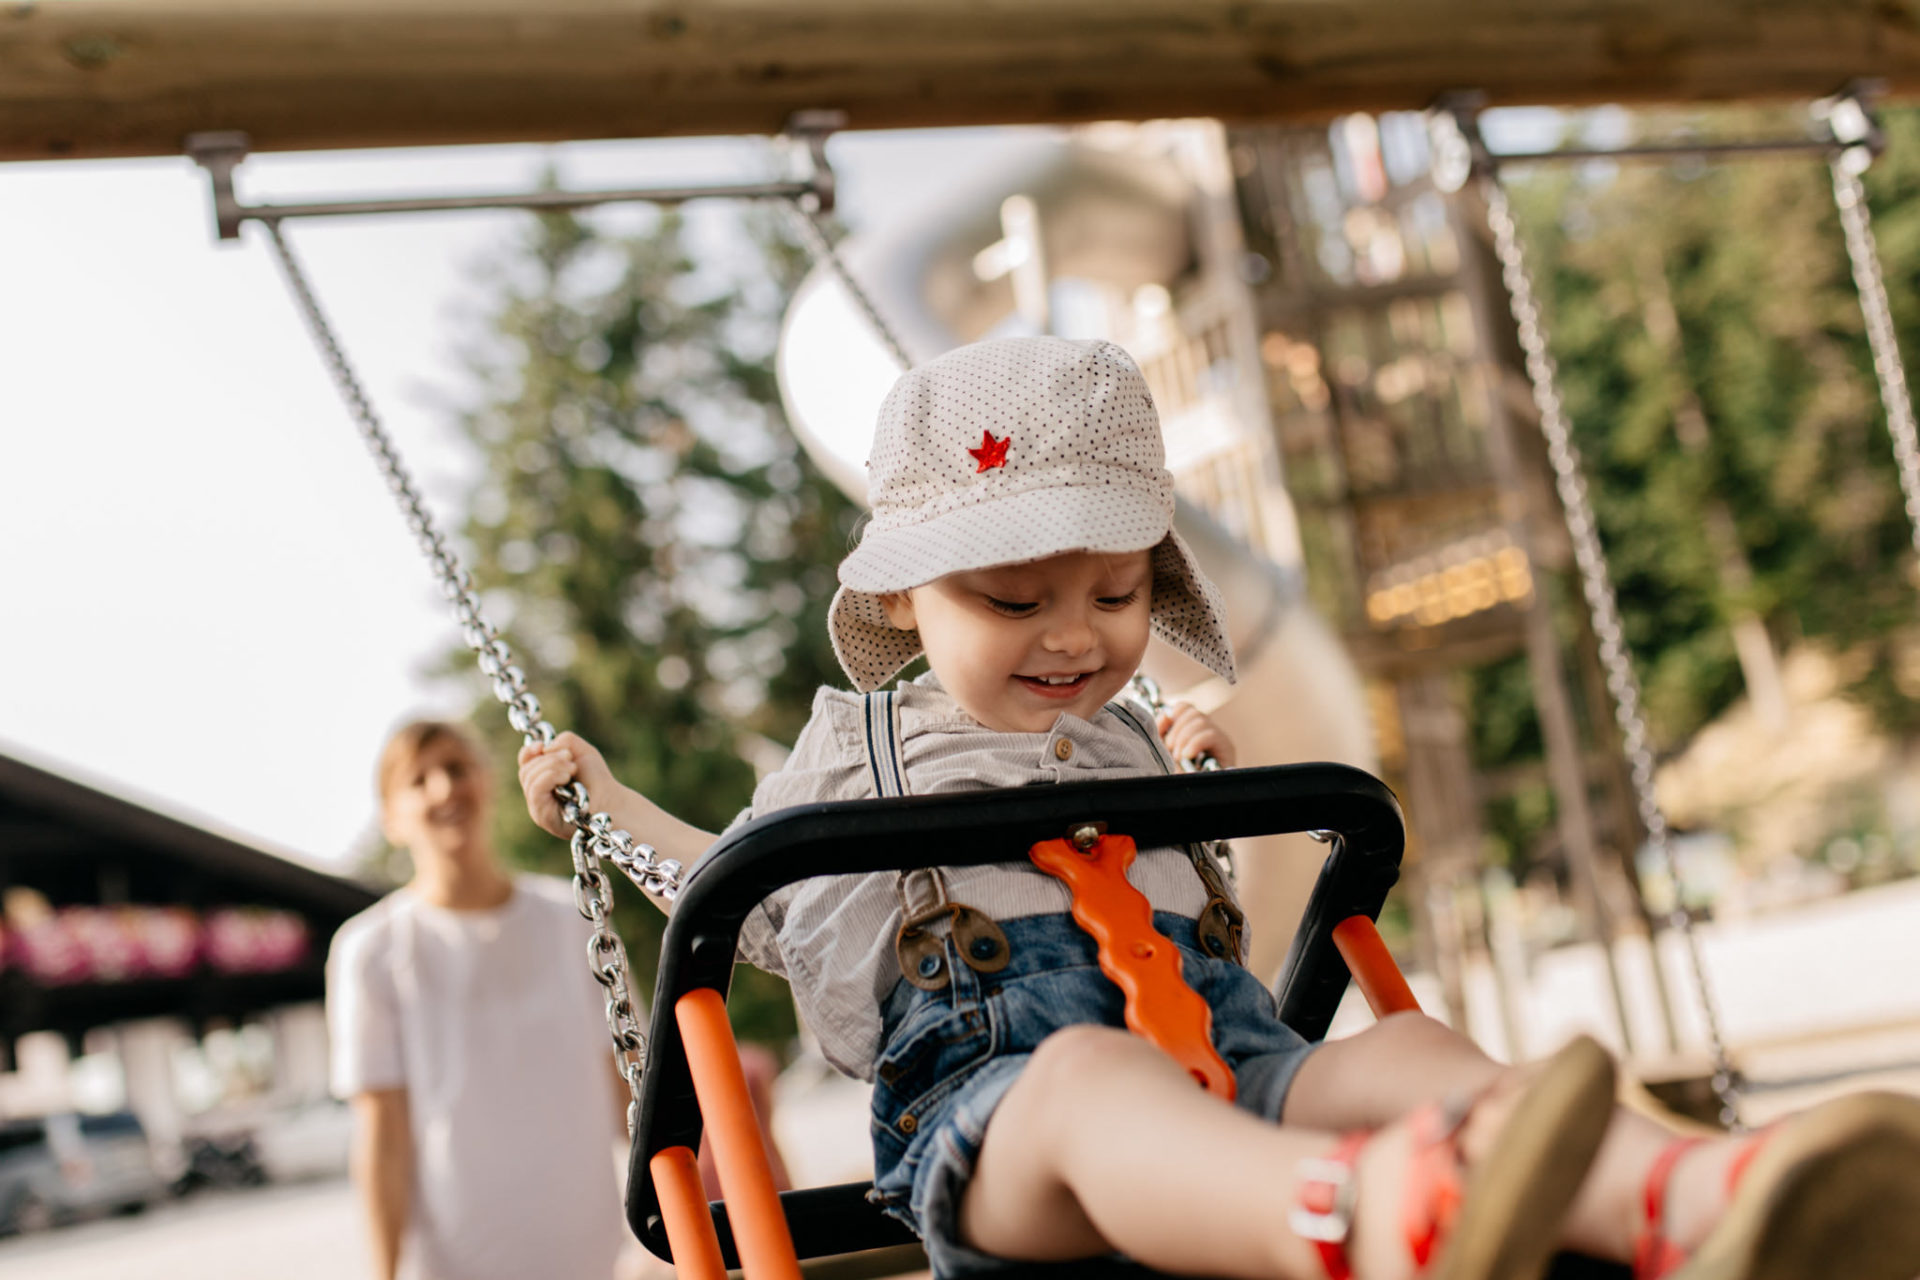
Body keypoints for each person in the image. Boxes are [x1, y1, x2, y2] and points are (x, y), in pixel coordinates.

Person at [518, 337, 1920, 1280]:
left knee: (1403, 1052)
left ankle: (1705, 1199)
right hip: (1004, 1138)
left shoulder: (1142, 738)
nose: (1073, 636)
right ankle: (1377, 1218)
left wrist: (1187, 783)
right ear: (899, 598)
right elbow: (745, 906)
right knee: (1087, 1080)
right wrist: (614, 807)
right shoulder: (857, 752)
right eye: (1013, 600)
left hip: (1236, 1072)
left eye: (1119, 594)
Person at [327, 720, 630, 1280]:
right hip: (458, 1261)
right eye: (418, 780)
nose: (444, 789)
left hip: (593, 1253)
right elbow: (383, 1137)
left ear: (489, 782)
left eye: (457, 768)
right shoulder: (371, 949)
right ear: (391, 818)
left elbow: (630, 1096)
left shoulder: (574, 921)